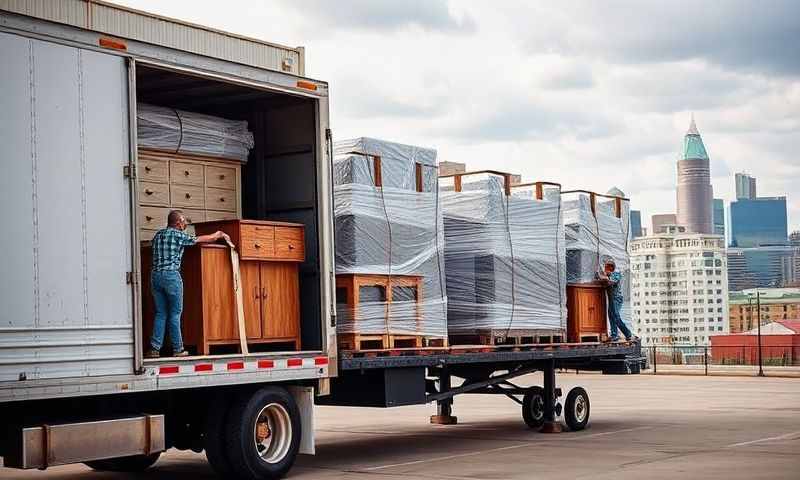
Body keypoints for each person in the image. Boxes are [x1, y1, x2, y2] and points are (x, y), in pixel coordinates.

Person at [146, 210, 230, 358]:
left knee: (160, 313)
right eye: (184, 221)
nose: (185, 224)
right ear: (178, 222)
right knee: (175, 313)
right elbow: (200, 239)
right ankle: (178, 349)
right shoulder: (178, 235)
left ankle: (154, 349)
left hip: (155, 277)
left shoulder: (158, 235)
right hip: (171, 276)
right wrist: (218, 235)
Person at [597, 258, 635, 342]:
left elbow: (610, 282)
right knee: (611, 316)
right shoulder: (607, 275)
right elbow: (603, 281)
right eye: (606, 267)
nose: (607, 268)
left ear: (612, 268)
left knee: (616, 317)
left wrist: (604, 277)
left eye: (608, 267)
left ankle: (627, 333)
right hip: (611, 299)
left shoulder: (616, 274)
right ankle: (614, 335)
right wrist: (602, 277)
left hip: (616, 299)